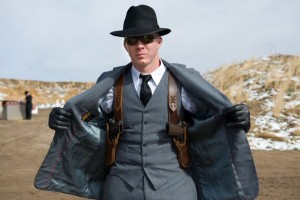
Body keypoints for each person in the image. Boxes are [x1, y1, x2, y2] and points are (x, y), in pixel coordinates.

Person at [35, 5, 258, 200]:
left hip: (175, 191)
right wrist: (64, 119)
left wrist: (237, 118)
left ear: (158, 41)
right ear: (126, 45)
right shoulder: (111, 85)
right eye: (132, 40)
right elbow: (88, 121)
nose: (140, 45)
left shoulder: (183, 84)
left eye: (146, 38)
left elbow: (214, 119)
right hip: (120, 190)